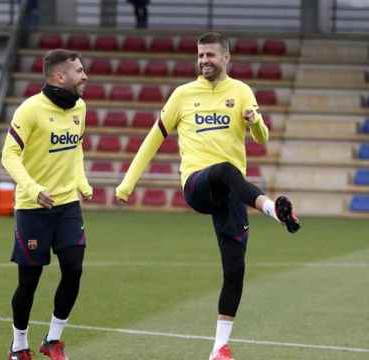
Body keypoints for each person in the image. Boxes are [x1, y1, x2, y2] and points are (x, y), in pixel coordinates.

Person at [115, 32, 300, 360]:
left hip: (231, 194)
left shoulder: (241, 92)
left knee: (235, 269)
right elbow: (152, 140)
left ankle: (219, 348)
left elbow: (262, 138)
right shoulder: (182, 95)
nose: (204, 61)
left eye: (210, 55)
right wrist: (127, 185)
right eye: (200, 55)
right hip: (197, 185)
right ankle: (273, 210)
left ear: (226, 58)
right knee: (226, 169)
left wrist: (255, 121)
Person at [1, 49, 92, 360]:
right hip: (32, 208)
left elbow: (77, 149)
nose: (85, 76)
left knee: (74, 268)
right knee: (29, 281)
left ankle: (53, 340)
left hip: (67, 206)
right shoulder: (29, 110)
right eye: (79, 71)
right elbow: (8, 156)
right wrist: (33, 188)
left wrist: (81, 182)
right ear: (59, 76)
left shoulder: (80, 107)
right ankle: (19, 345)